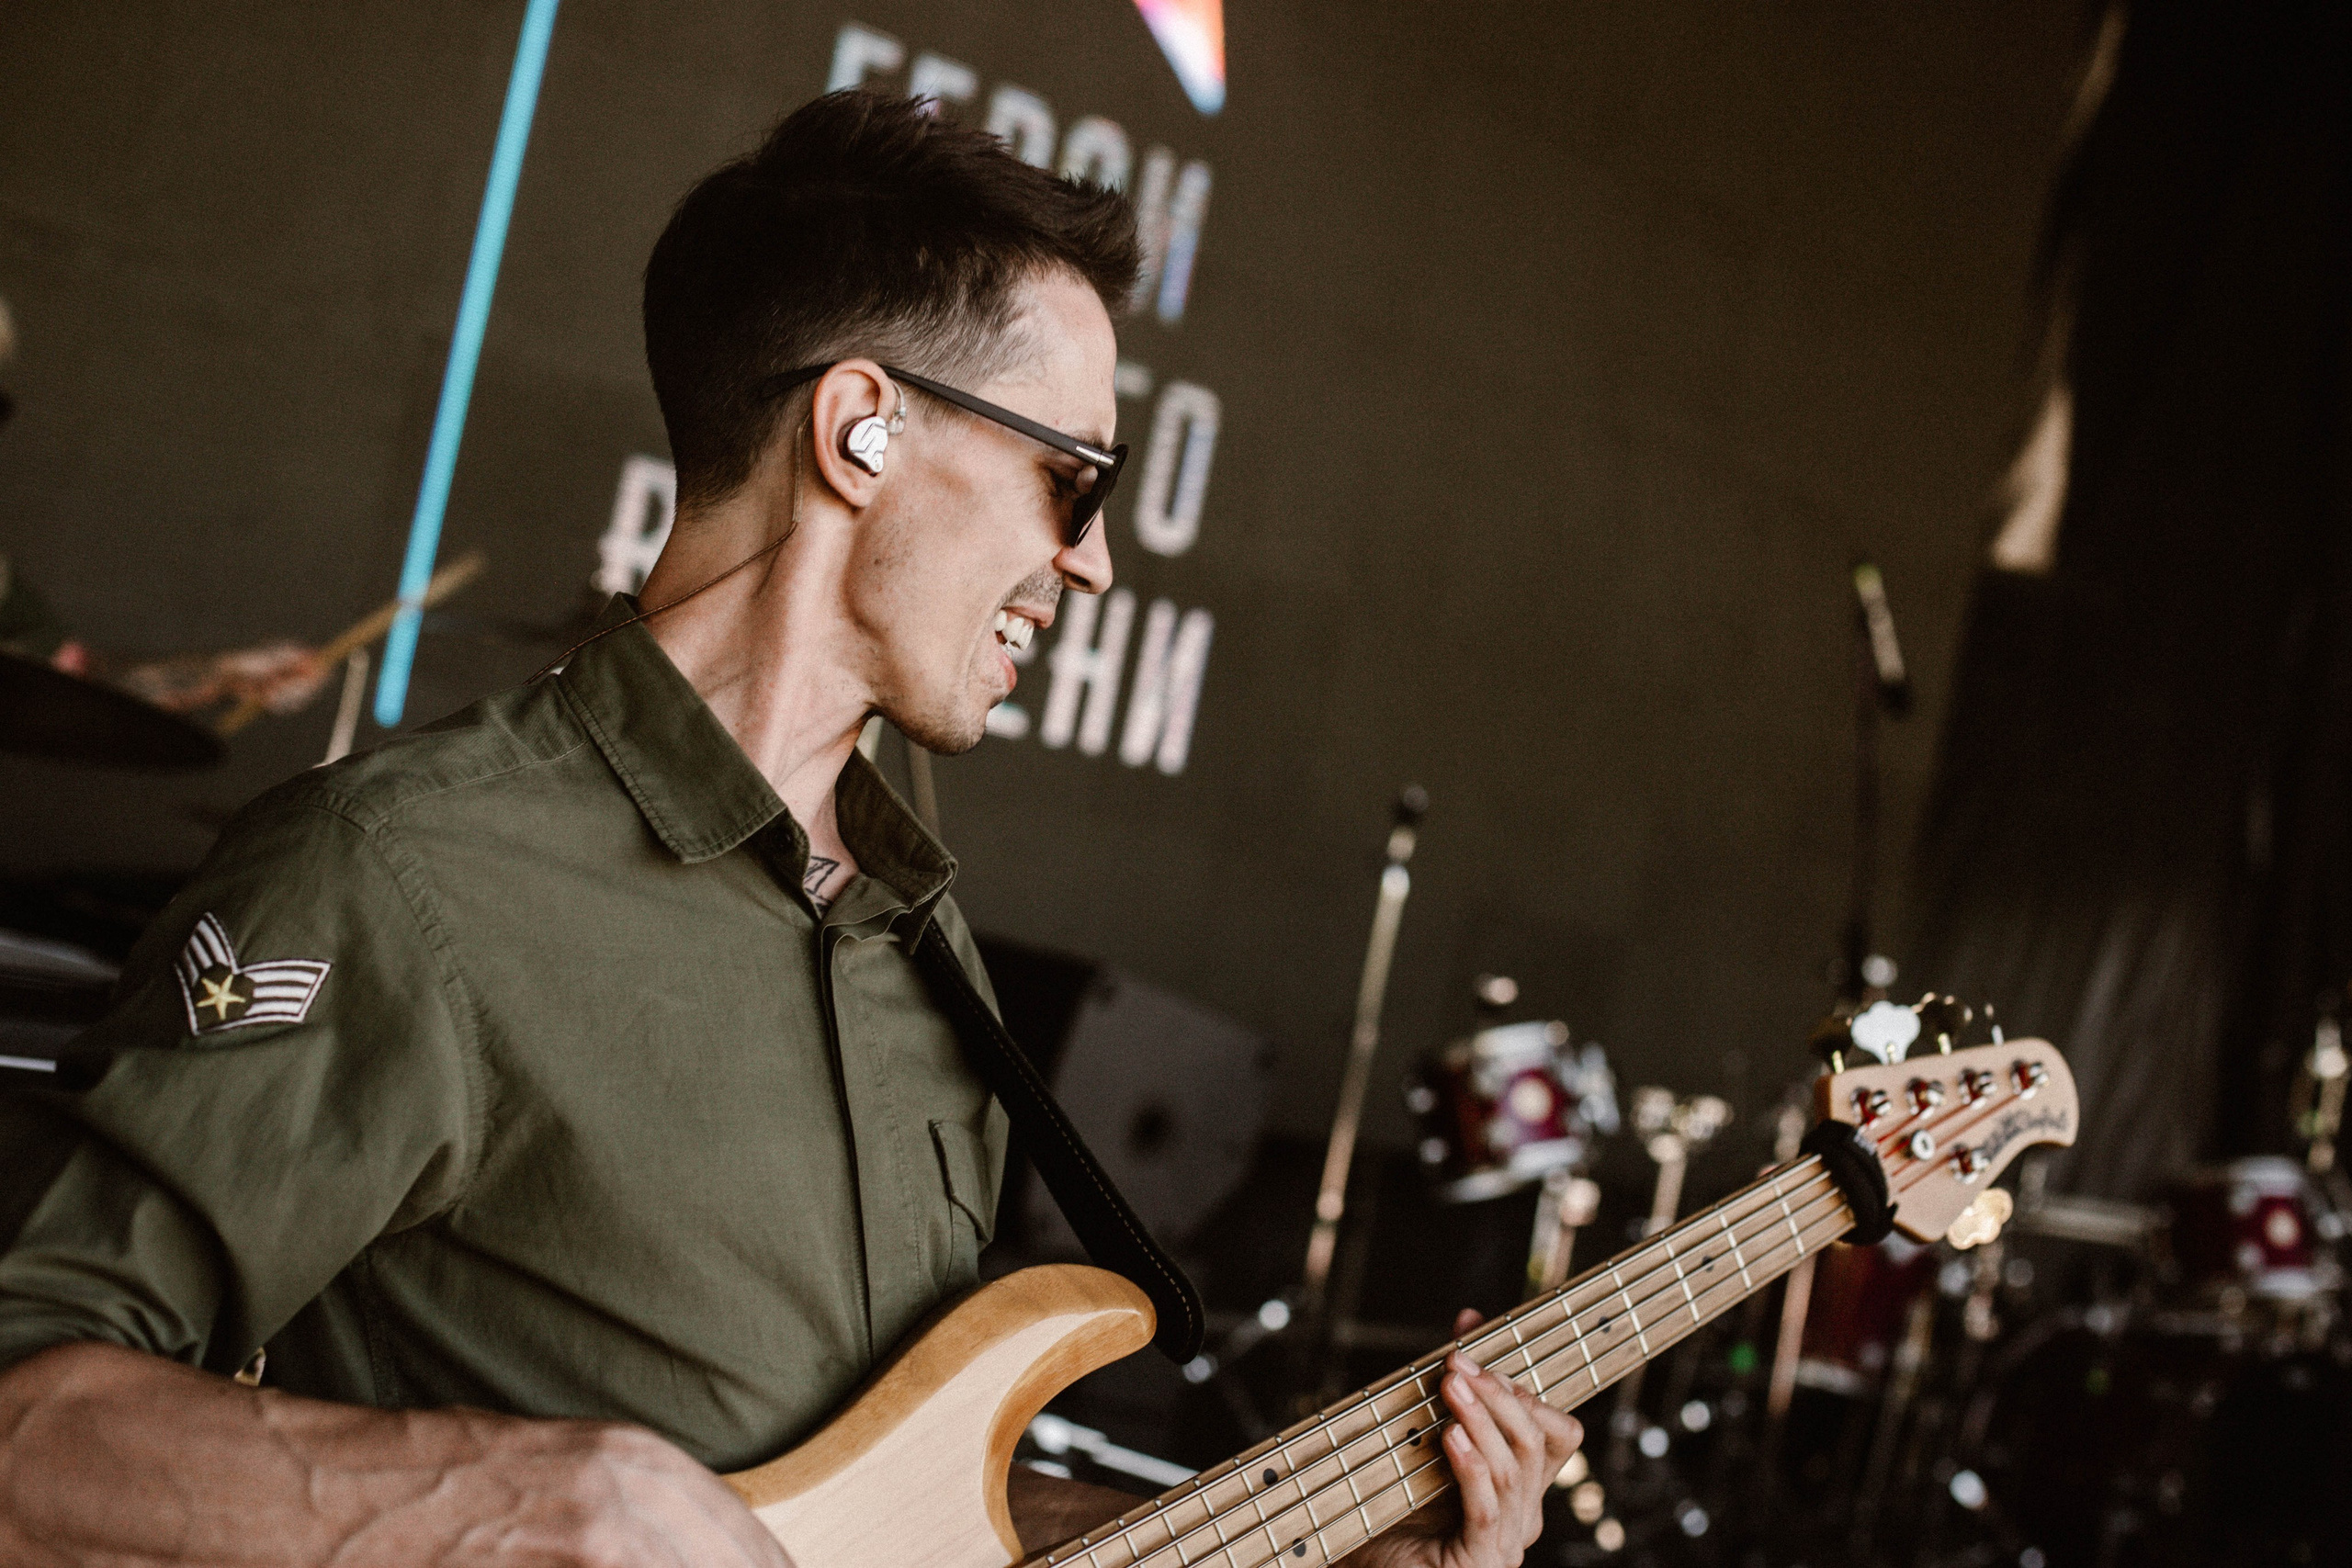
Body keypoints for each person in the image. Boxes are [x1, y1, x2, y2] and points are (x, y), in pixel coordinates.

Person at [0, 91, 1577, 1566]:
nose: (1091, 568)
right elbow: (25, 1428)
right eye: (1070, 482)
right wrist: (508, 1497)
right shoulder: (402, 874)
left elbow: (916, 1506)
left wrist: (1328, 1546)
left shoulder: (918, 944)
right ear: (861, 430)